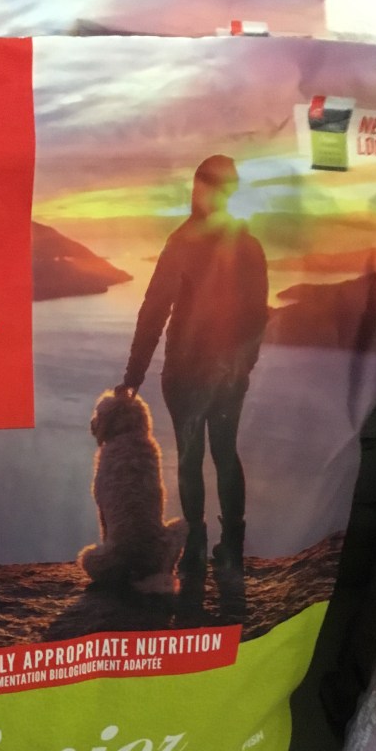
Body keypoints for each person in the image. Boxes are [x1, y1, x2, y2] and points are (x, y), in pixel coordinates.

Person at [116, 154, 268, 573]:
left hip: (188, 371)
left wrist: (133, 376)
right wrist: (243, 364)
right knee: (221, 453)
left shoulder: (183, 243)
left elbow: (154, 310)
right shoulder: (247, 245)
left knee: (192, 456)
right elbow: (258, 315)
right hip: (223, 373)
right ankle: (227, 548)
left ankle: (199, 549)